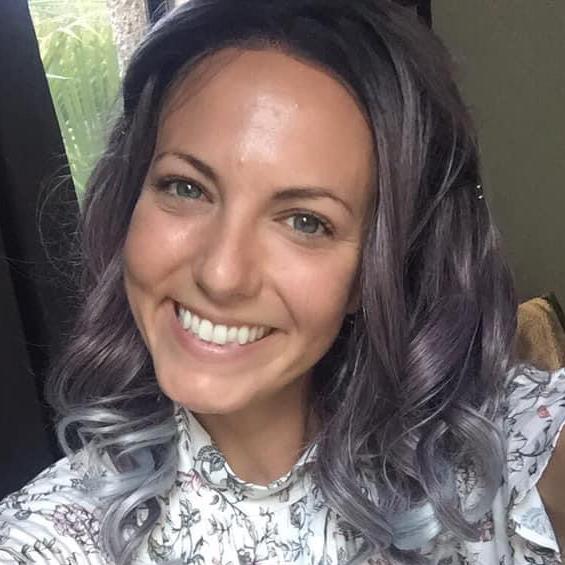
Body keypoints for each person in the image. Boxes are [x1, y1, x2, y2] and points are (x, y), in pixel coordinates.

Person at [1, 1, 564, 563]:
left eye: (305, 222)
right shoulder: (48, 539)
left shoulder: (494, 444)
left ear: (374, 270)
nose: (221, 275)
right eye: (186, 188)